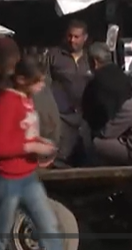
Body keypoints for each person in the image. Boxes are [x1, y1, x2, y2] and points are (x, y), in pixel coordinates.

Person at [0, 58, 61, 250]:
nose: (42, 85)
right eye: (37, 81)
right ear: (21, 80)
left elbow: (23, 133)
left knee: (49, 227)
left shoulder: (26, 99)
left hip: (27, 176)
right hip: (6, 179)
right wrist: (32, 147)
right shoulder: (7, 102)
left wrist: (41, 142)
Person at [43, 20, 93, 164]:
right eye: (70, 36)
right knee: (62, 156)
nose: (72, 40)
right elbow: (45, 82)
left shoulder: (90, 58)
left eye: (76, 37)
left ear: (85, 37)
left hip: (86, 116)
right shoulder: (54, 55)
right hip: (62, 116)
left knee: (87, 157)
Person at [79, 42, 132, 141]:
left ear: (94, 62)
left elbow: (87, 111)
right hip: (127, 132)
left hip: (104, 135)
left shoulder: (95, 83)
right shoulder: (124, 77)